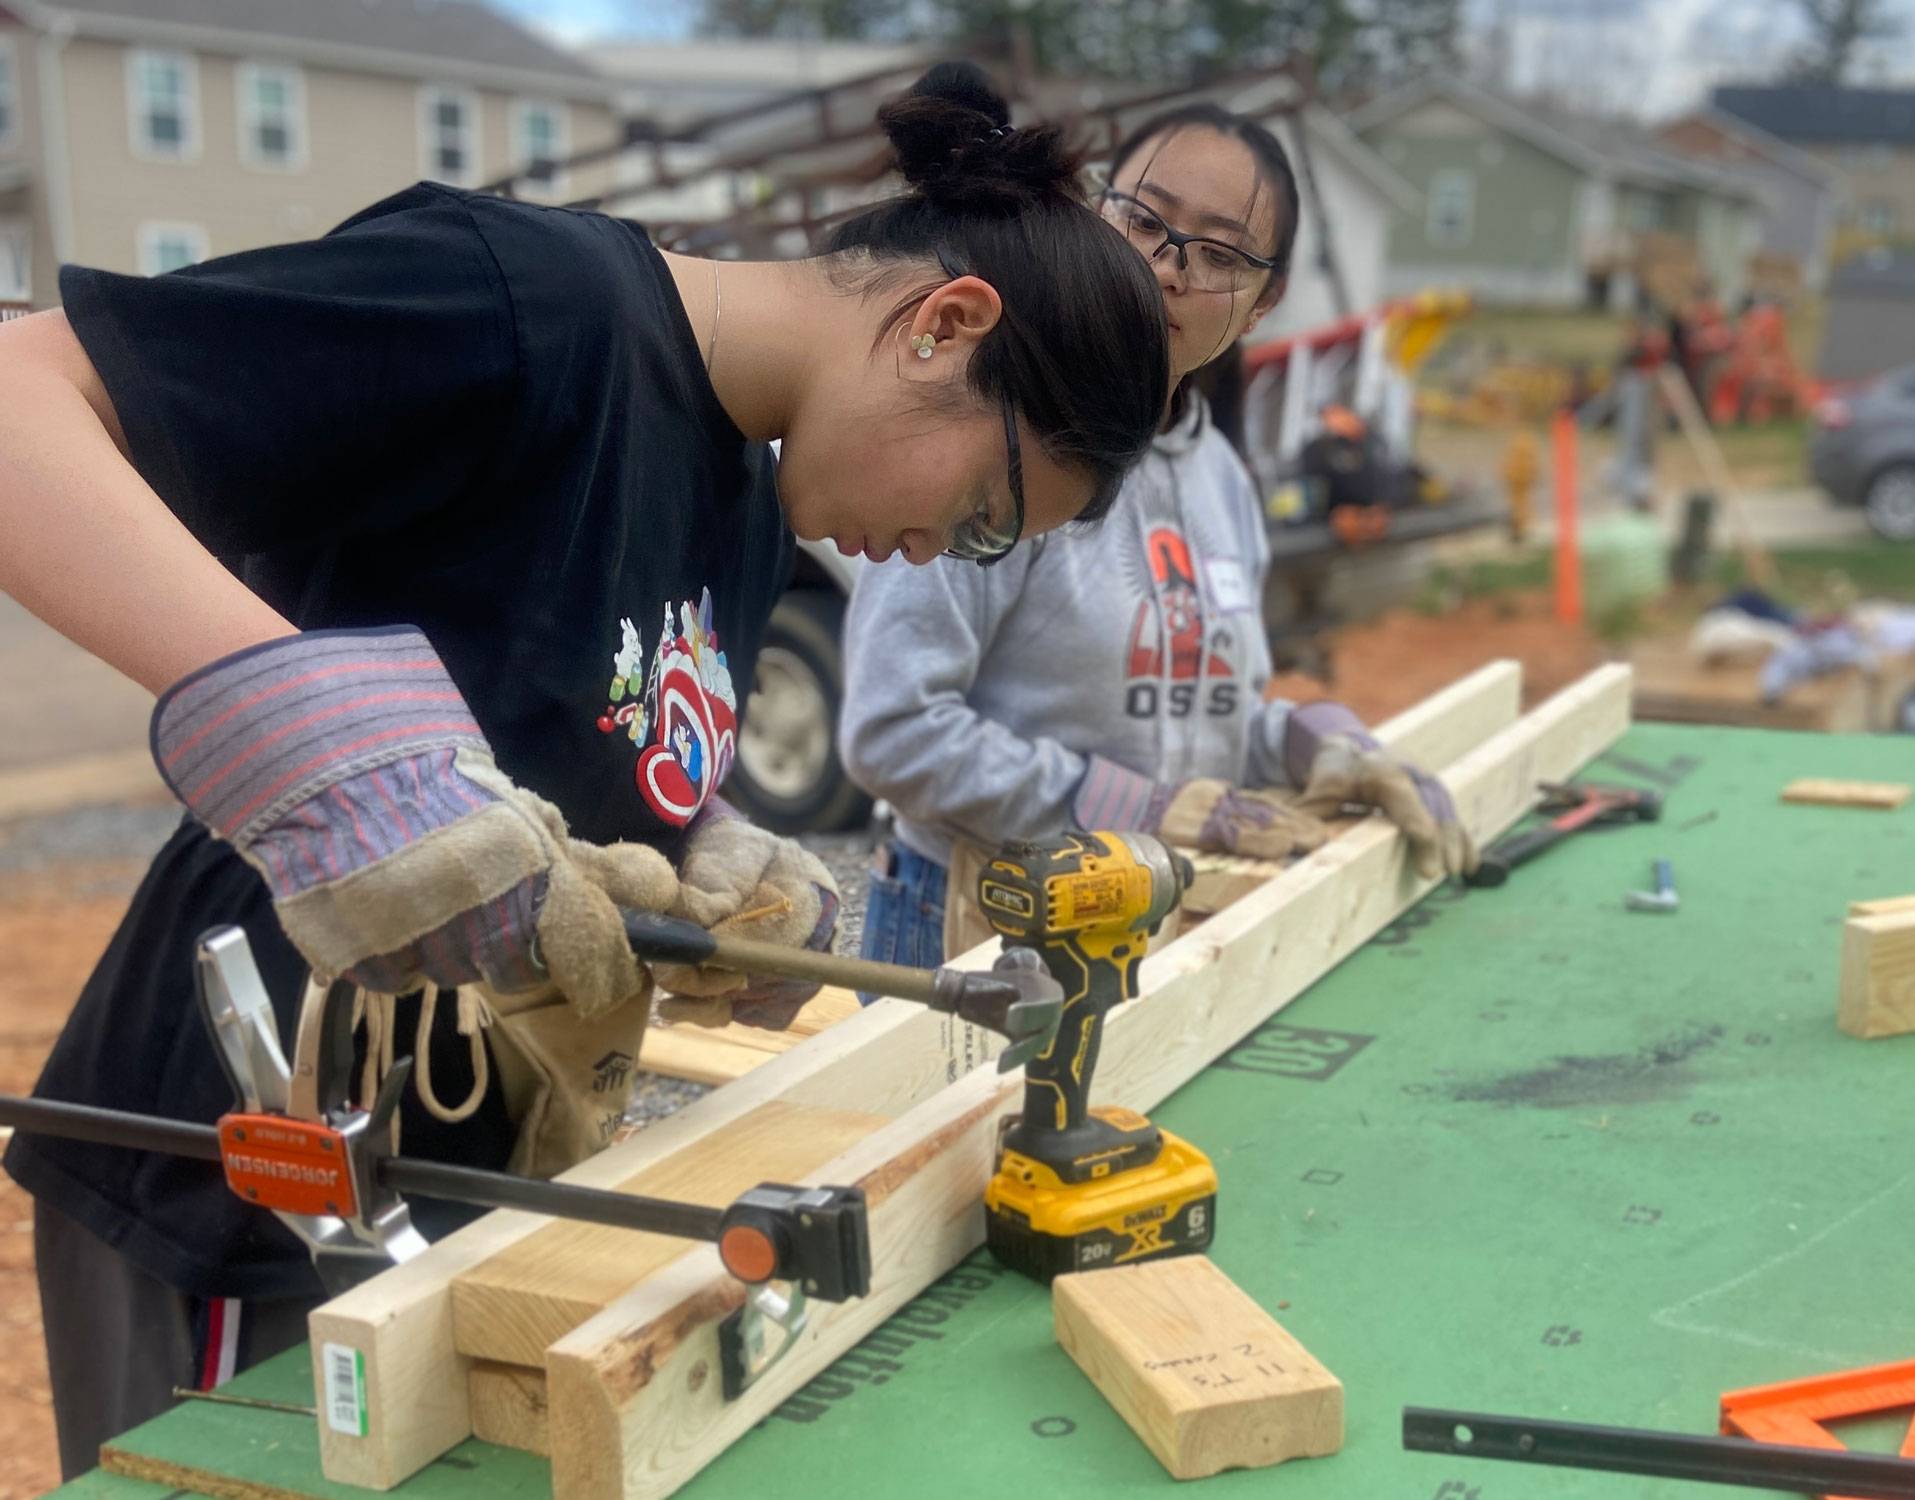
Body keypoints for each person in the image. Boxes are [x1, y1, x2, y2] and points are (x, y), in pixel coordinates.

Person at [0, 62, 1168, 1475]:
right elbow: (21, 397)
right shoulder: (528, 302)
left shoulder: (749, 489)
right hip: (244, 1161)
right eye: (986, 515)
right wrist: (317, 739)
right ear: (945, 324)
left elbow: (565, 732)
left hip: (462, 1179)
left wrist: (707, 852)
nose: (941, 555)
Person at [839, 102, 1475, 977]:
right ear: (1093, 213)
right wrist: (1148, 807)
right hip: (977, 919)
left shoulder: (1218, 477)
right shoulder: (997, 437)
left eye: (1219, 254)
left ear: (1264, 303)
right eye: (1144, 220)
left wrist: (1321, 744)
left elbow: (1198, 722)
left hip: (1146, 924)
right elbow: (894, 730)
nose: (1166, 270)